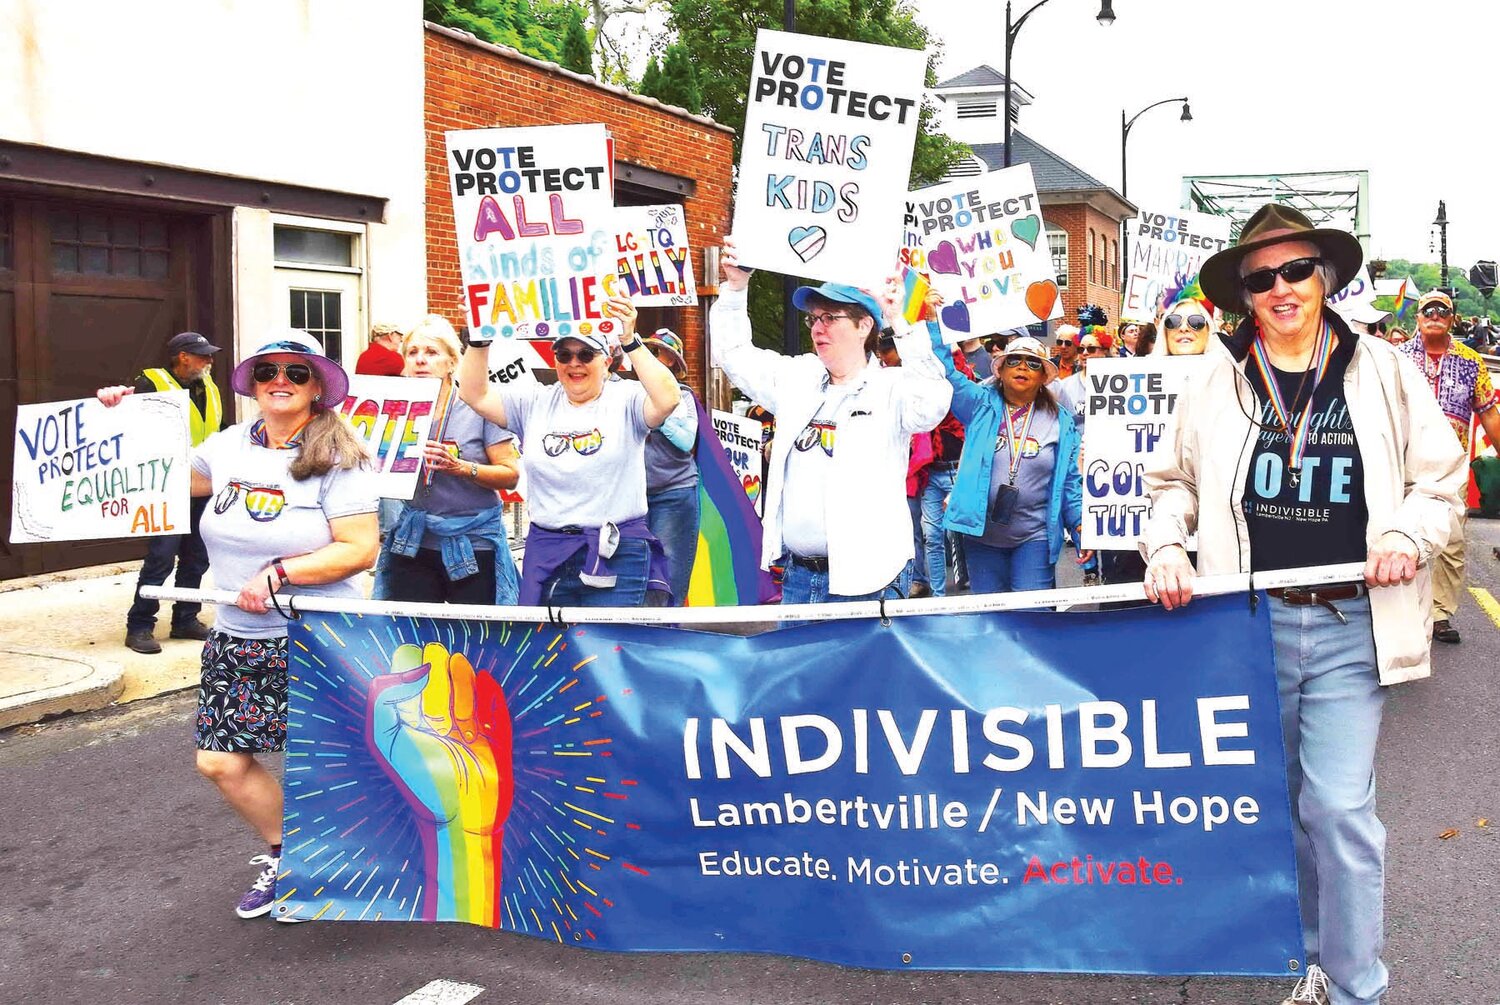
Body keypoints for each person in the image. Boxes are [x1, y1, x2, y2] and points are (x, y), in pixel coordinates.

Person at [1143, 204, 1465, 1005]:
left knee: (1339, 808)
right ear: (1244, 294)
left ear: (1323, 277)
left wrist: (1405, 534)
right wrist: (1167, 546)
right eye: (1262, 277)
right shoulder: (1216, 378)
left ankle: (1359, 987)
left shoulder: (1384, 368)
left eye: (1296, 271)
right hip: (1244, 628)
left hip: (1351, 621)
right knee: (1283, 810)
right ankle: (1314, 956)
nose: (1281, 288)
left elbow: (1443, 478)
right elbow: (1170, 485)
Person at [101, 329, 379, 919]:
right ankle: (293, 855)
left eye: (296, 372)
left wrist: (283, 573)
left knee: (334, 761)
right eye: (268, 371)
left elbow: (360, 549)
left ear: (316, 386)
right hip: (238, 634)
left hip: (318, 636)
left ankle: (378, 860)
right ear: (252, 383)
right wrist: (114, 421)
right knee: (221, 761)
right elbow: (154, 476)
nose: (280, 381)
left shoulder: (340, 456)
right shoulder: (227, 447)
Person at [710, 237, 952, 604]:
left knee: (865, 665)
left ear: (863, 326)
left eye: (830, 317)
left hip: (871, 579)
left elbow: (933, 402)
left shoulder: (891, 387)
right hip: (797, 577)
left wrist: (900, 323)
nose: (817, 328)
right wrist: (735, 287)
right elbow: (733, 355)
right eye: (813, 318)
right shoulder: (798, 379)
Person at [457, 295, 681, 606]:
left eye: (585, 354)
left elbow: (668, 399)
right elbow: (473, 394)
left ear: (605, 359)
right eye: (564, 355)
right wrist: (479, 340)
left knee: (609, 650)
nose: (574, 363)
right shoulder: (534, 401)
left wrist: (630, 339)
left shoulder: (625, 399)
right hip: (547, 548)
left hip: (616, 550)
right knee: (550, 651)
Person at [931, 319, 1088, 594]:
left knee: (1032, 618)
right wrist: (935, 322)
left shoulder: (1061, 421)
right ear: (1000, 370)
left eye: (1033, 363)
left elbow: (1069, 483)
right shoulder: (978, 404)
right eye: (1014, 361)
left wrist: (1079, 525)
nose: (1023, 367)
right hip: (981, 536)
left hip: (1035, 535)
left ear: (1043, 377)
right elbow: (946, 372)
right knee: (993, 620)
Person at [372, 315, 521, 605]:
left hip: (473, 542)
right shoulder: (392, 411)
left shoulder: (479, 406)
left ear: (453, 362)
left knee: (475, 640)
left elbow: (510, 474)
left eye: (431, 352)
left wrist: (462, 468)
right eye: (412, 352)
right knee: (413, 638)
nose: (420, 360)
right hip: (414, 540)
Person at [111, 331, 225, 654]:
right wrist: (113, 397)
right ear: (183, 356)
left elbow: (219, 429)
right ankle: (140, 624)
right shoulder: (152, 382)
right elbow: (120, 425)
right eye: (203, 355)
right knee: (161, 558)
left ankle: (185, 618)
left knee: (196, 557)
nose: (210, 360)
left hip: (201, 485)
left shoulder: (209, 387)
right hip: (165, 487)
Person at [1398, 289, 1500, 644]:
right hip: (1402, 462)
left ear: (1453, 318)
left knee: (1451, 543)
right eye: (1428, 309)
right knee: (1399, 535)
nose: (1435, 314)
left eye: (1443, 309)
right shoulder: (1397, 358)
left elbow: (1488, 412)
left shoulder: (1472, 362)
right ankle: (1403, 610)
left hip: (1449, 467)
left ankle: (1440, 614)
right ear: (1418, 317)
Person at [636, 328, 702, 607]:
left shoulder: (684, 397)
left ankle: (668, 636)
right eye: (649, 351)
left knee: (670, 576)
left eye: (658, 353)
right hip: (631, 497)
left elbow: (687, 441)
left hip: (674, 493)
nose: (652, 358)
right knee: (633, 574)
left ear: (672, 362)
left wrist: (660, 413)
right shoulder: (629, 392)